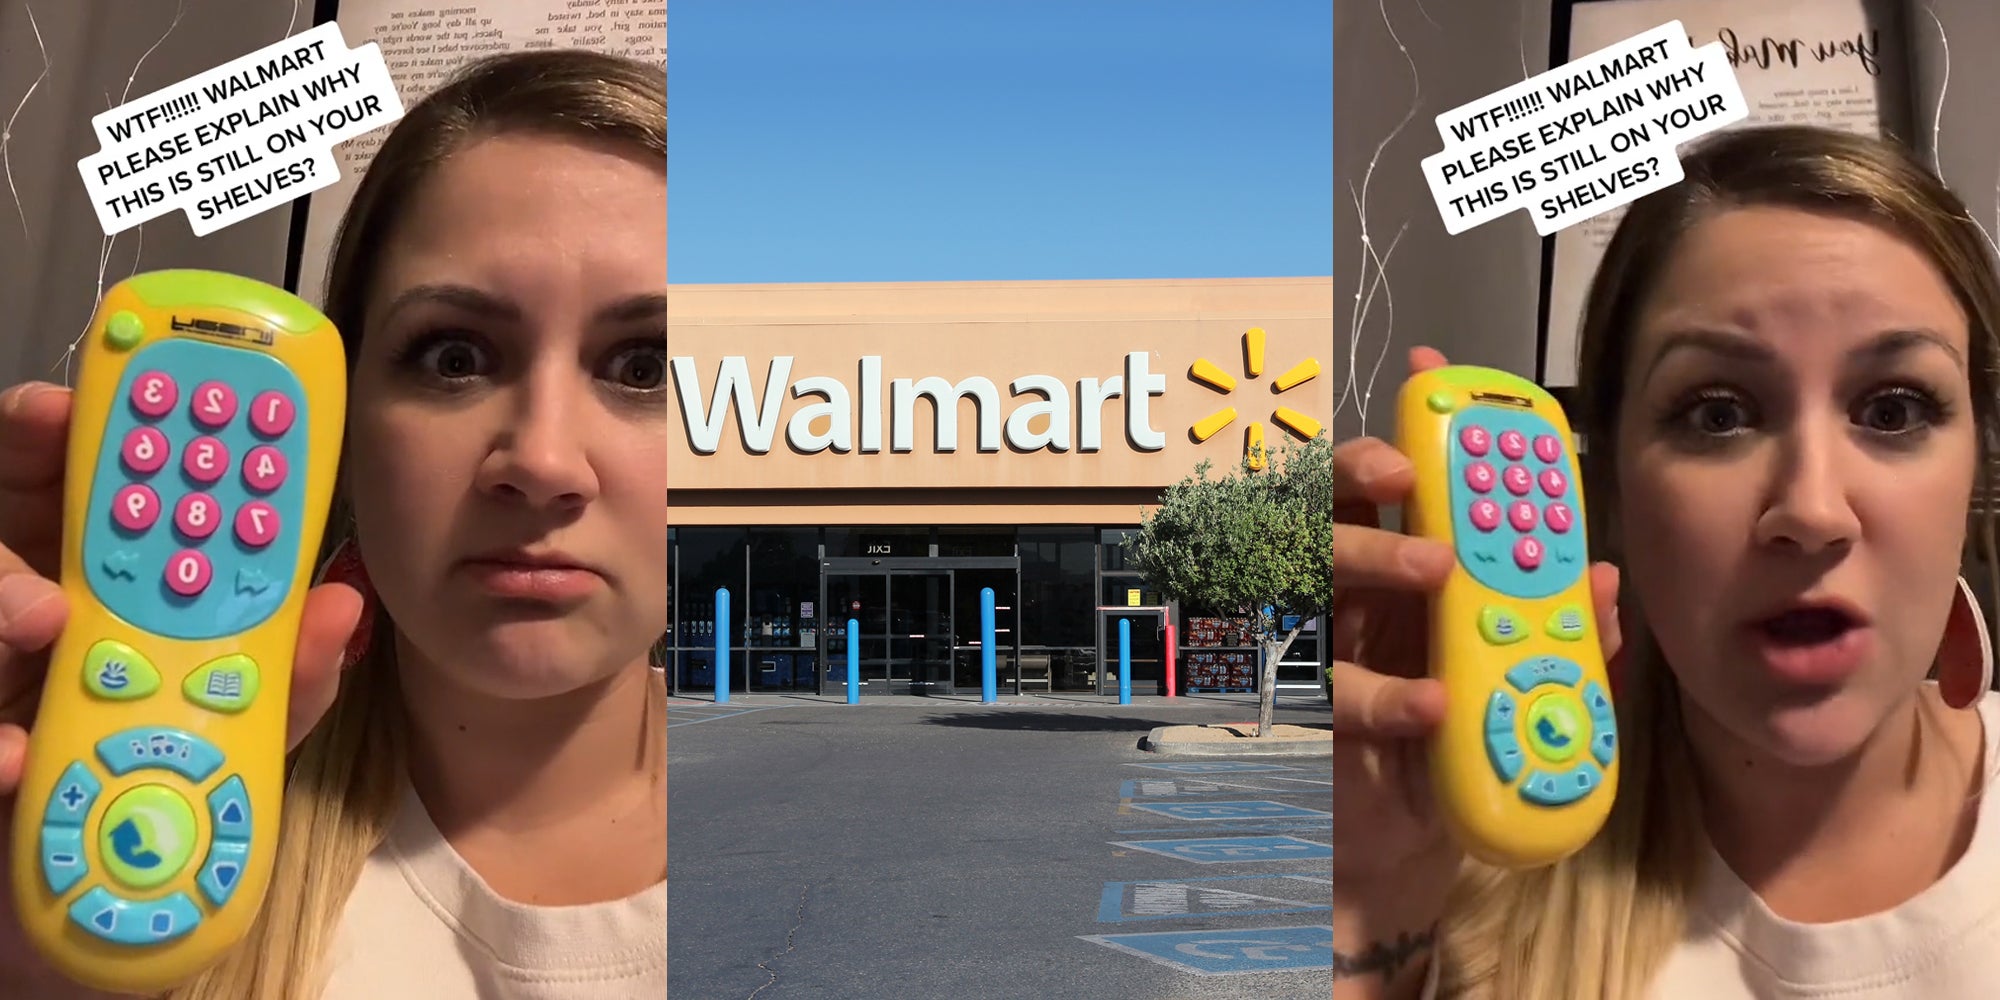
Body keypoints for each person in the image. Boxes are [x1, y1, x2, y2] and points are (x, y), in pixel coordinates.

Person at [0, 48, 666, 999]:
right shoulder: (142, 871)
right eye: (455, 357)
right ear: (338, 424)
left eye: (646, 366)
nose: (544, 462)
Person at [1332, 123, 2000, 999]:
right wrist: (1366, 900)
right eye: (1718, 414)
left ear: (1976, 469)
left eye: (1893, 409)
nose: (1810, 509)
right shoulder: (1454, 905)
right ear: (1607, 483)